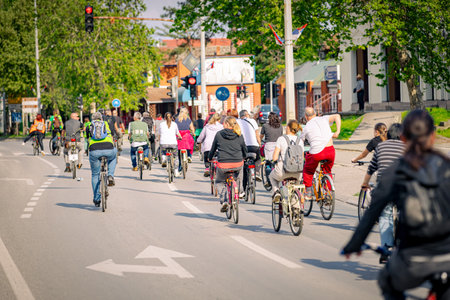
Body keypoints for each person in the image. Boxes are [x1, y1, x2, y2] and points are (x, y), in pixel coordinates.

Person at [342, 110, 450, 299]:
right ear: (433, 136)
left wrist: (354, 244)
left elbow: (372, 212)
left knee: (387, 281)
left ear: (404, 138)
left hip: (414, 258)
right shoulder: (446, 166)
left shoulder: (396, 171)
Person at [361, 123, 405, 263]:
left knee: (385, 215)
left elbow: (371, 168)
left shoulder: (380, 146)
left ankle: (386, 249)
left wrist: (364, 184)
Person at [299, 107, 341, 200]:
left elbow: (300, 142)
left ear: (306, 116)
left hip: (317, 153)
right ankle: (328, 192)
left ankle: (308, 193)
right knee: (327, 171)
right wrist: (337, 132)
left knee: (308, 170)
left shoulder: (306, 127)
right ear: (316, 113)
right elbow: (337, 116)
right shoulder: (324, 119)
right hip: (330, 151)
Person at [208, 116, 247, 212]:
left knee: (219, 182)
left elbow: (213, 149)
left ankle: (224, 200)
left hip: (223, 164)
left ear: (226, 124)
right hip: (237, 163)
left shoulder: (219, 134)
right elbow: (244, 149)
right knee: (239, 175)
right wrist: (244, 157)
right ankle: (240, 190)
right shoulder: (239, 134)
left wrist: (209, 158)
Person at [88, 112, 117, 207]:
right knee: (113, 156)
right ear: (101, 118)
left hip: (94, 150)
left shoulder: (89, 125)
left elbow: (86, 138)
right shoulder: (106, 124)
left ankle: (96, 199)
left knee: (95, 174)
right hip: (108, 148)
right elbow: (112, 134)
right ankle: (110, 175)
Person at [269, 120, 304, 193]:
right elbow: (302, 157)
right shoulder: (300, 141)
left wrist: (274, 161)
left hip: (283, 171)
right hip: (297, 173)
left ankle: (276, 192)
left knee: (272, 177)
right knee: (296, 189)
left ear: (288, 128)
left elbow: (275, 157)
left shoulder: (281, 139)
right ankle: (296, 199)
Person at [237, 109, 262, 197]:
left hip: (243, 147)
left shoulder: (237, 122)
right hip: (254, 146)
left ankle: (243, 189)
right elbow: (257, 134)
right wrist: (259, 144)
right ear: (247, 115)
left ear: (240, 116)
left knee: (243, 167)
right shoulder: (253, 121)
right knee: (258, 159)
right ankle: (257, 172)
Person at [174, 107, 195, 175]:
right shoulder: (188, 119)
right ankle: (189, 156)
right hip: (186, 135)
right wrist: (193, 133)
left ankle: (180, 167)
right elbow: (192, 128)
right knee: (190, 143)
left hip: (179, 136)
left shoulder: (176, 120)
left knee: (179, 152)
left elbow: (175, 129)